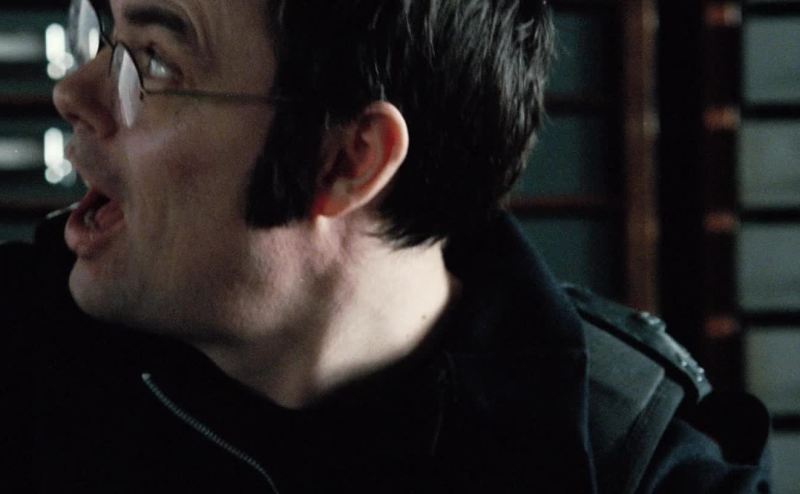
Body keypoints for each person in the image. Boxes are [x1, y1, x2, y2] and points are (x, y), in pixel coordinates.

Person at [1, 0, 770, 492]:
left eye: (155, 63)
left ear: (348, 158)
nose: (75, 93)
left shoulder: (637, 466)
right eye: (104, 34)